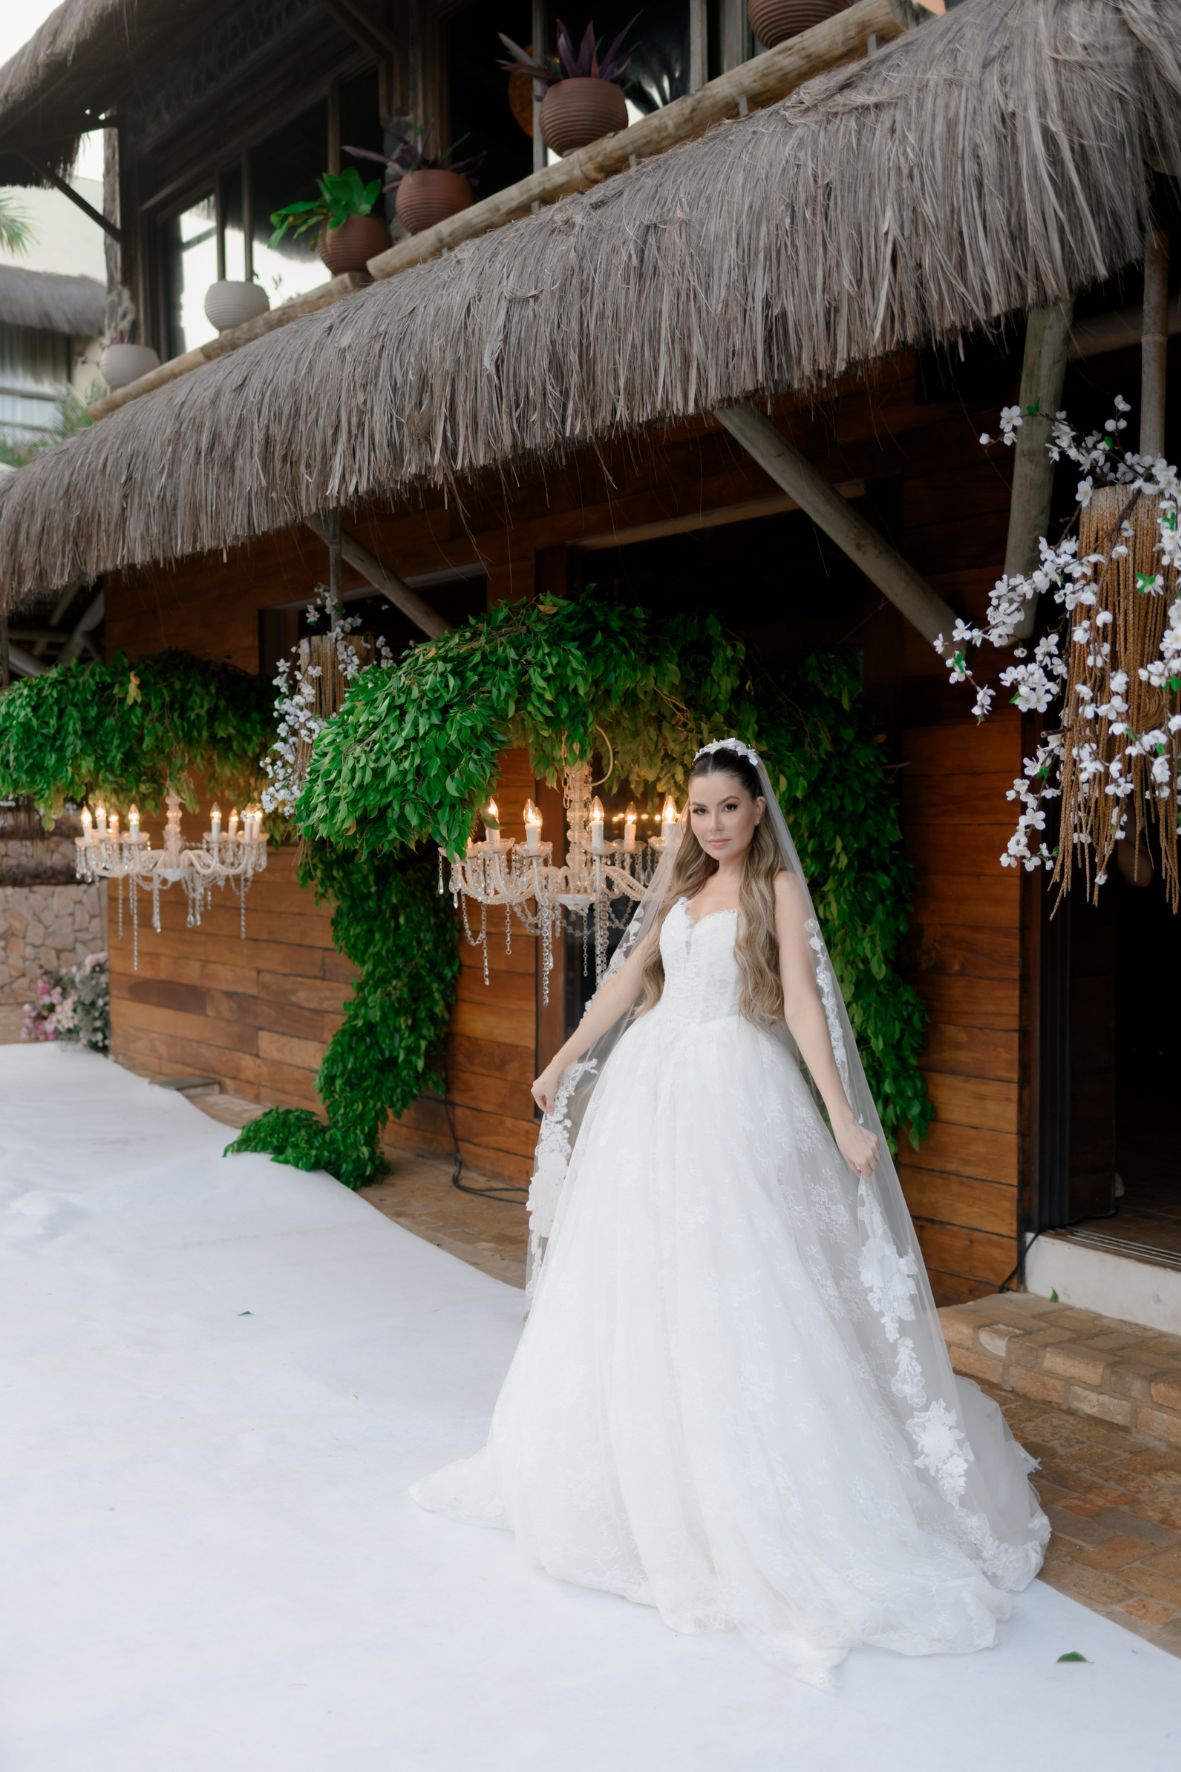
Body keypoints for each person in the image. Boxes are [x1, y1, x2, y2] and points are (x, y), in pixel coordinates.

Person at [409, 739, 1050, 1690]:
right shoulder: (676, 888)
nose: (712, 825)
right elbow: (626, 982)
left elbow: (801, 1006)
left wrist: (840, 1116)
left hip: (734, 1087)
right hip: (651, 1084)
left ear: (756, 810)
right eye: (699, 810)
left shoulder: (774, 890)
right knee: (636, 1273)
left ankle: (747, 1485)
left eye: (728, 808)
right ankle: (634, 1465)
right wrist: (563, 1061)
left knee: (736, 1276)